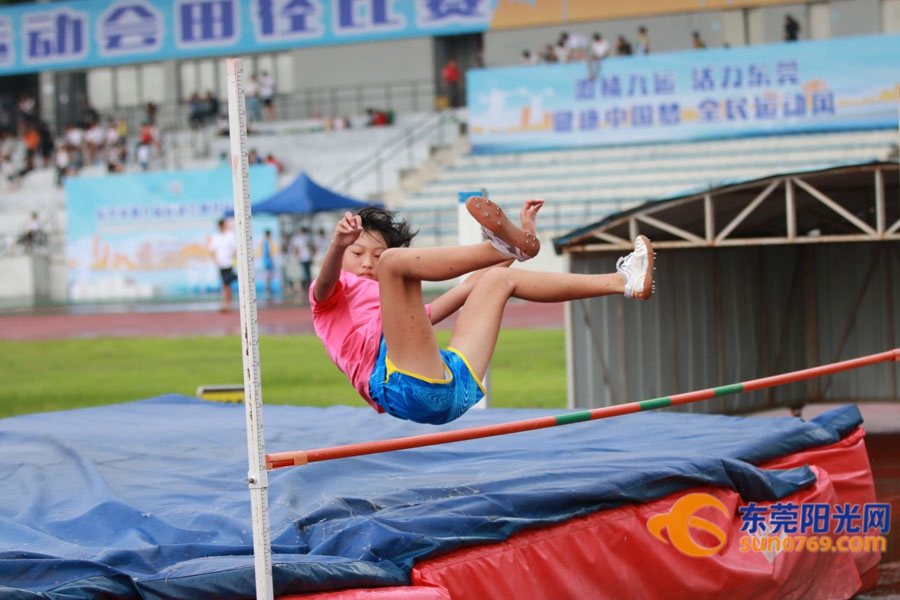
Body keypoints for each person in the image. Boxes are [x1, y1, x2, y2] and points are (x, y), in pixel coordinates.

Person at [311, 197, 654, 425]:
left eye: (375, 255)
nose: (367, 263)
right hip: (403, 385)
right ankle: (500, 247)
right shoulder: (329, 297)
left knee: (497, 281)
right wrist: (337, 245)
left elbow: (464, 290)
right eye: (357, 253)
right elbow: (326, 281)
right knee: (394, 264)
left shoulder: (400, 315)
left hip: (452, 386)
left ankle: (624, 280)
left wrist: (521, 245)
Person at [208, 218, 237, 311]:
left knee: (227, 284)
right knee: (226, 285)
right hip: (221, 265)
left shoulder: (230, 236)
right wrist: (215, 261)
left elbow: (235, 249)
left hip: (229, 264)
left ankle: (226, 303)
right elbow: (212, 250)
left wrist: (236, 261)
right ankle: (228, 303)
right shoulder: (216, 237)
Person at [290, 226, 314, 295]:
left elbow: (311, 247)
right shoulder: (298, 239)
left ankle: (307, 286)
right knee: (301, 274)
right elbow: (296, 249)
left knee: (307, 273)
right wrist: (296, 257)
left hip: (307, 258)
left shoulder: (308, 238)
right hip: (302, 258)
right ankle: (303, 287)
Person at [260, 229, 277, 299]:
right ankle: (267, 289)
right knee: (267, 277)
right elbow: (267, 253)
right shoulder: (266, 243)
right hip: (267, 263)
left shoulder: (269, 242)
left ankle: (268, 289)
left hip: (269, 262)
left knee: (269, 277)